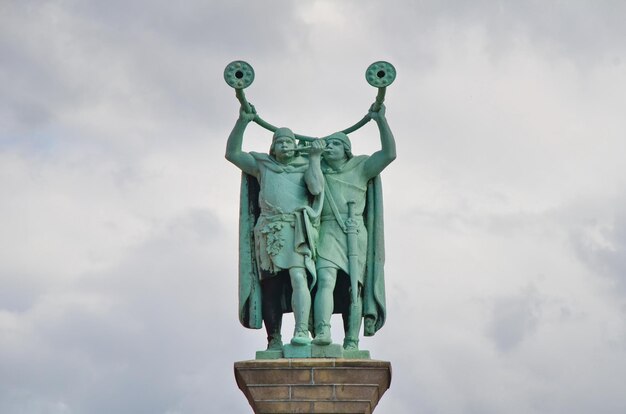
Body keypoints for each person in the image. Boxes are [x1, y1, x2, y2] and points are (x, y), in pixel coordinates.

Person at [226, 105, 324, 350]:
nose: (285, 145)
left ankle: (301, 330)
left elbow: (316, 189)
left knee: (299, 275)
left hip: (295, 228)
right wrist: (243, 121)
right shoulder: (263, 165)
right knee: (271, 284)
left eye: (289, 141)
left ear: (295, 145)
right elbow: (233, 153)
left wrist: (314, 158)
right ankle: (274, 338)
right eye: (280, 142)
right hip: (269, 230)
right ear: (273, 147)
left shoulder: (304, 165)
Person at [312, 104, 396, 350]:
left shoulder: (361, 167)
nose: (330, 147)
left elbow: (389, 154)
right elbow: (311, 185)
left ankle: (352, 339)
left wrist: (380, 120)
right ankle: (322, 331)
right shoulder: (317, 168)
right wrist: (314, 157)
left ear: (347, 149)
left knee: (354, 288)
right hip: (328, 229)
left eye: (335, 144)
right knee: (325, 279)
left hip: (355, 232)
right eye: (327, 144)